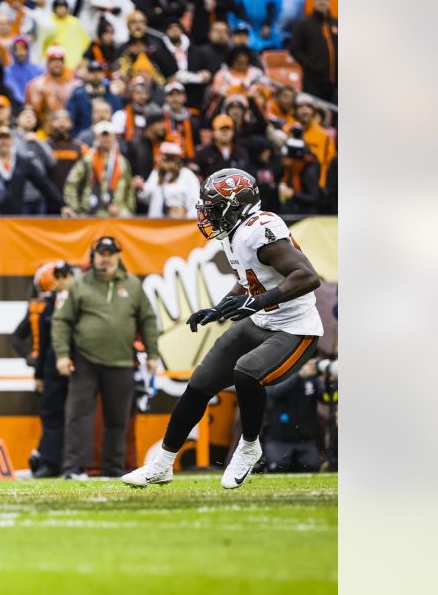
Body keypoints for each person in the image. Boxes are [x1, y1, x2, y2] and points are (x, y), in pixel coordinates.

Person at [123, 169, 323, 489]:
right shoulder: (235, 232)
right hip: (262, 322)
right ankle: (162, 464)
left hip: (294, 328)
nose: (207, 214)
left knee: (246, 371)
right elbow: (249, 280)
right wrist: (219, 308)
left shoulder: (261, 230)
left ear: (236, 206)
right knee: (200, 383)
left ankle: (249, 447)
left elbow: (308, 277)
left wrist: (255, 304)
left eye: (213, 207)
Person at [53, 236, 160, 479]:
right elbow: (62, 321)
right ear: (93, 256)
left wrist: (153, 353)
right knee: (78, 414)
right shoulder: (79, 284)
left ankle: (113, 469)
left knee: (117, 418)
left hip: (122, 360)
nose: (106, 258)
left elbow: (148, 319)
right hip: (84, 359)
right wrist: (62, 355)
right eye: (101, 253)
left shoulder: (132, 285)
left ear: (117, 256)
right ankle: (73, 468)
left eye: (110, 253)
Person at [18, 261, 73, 478]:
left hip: (76, 368)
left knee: (74, 418)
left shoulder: (79, 300)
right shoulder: (45, 305)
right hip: (54, 369)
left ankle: (66, 463)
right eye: (57, 276)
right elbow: (40, 346)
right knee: (53, 419)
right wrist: (37, 369)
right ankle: (49, 462)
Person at [0, 124, 64, 215]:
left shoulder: (22, 163)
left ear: (12, 141)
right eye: (0, 138)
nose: (4, 141)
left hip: (15, 216)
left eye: (6, 138)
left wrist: (62, 204)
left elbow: (43, 184)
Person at [63, 121, 135, 216]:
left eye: (108, 135)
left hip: (118, 214)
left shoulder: (122, 162)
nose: (106, 139)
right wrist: (76, 208)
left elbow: (129, 187)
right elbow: (71, 183)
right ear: (97, 138)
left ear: (114, 137)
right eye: (103, 136)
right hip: (91, 213)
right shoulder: (87, 159)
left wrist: (129, 209)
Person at [287, 0, 337, 103]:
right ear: (314, 1)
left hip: (336, 82)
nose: (322, 1)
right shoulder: (304, 24)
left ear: (329, 0)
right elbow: (294, 49)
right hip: (313, 82)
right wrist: (309, 65)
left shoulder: (336, 23)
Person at [142, 142, 201, 218]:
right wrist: (141, 187)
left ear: (177, 158)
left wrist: (189, 224)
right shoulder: (156, 173)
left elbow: (195, 202)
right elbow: (145, 197)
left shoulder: (187, 175)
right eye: (163, 156)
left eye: (169, 157)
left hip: (179, 223)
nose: (165, 159)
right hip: (157, 223)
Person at [195, 114, 250, 178]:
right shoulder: (202, 153)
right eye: (221, 129)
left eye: (228, 129)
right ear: (213, 132)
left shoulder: (241, 152)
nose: (224, 132)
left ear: (233, 131)